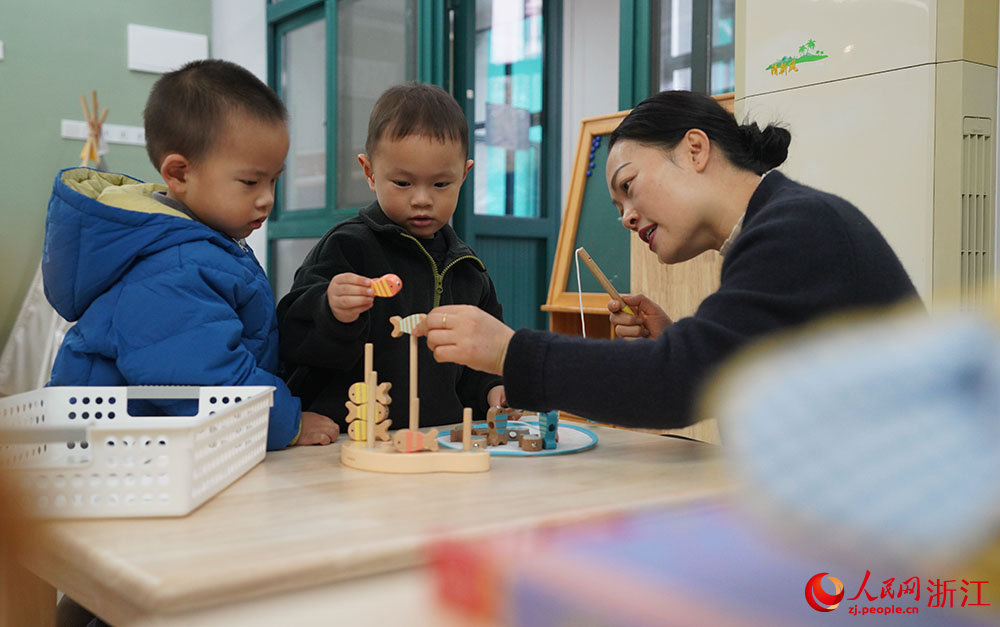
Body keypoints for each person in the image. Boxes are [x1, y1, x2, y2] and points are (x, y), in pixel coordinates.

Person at [413, 90, 920, 429]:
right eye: (617, 207)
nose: (627, 218)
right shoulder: (783, 220)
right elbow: (731, 380)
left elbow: (678, 384)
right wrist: (680, 341)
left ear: (695, 150)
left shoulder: (796, 227)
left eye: (628, 187)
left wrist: (510, 351)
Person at [43, 59, 339, 450]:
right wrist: (287, 422)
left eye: (273, 180)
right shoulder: (171, 265)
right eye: (250, 182)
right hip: (110, 459)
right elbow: (201, 381)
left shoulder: (201, 244)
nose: (267, 199)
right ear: (180, 173)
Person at [277, 83, 506, 433]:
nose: (422, 199)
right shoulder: (347, 247)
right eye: (402, 183)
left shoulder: (469, 270)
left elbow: (478, 362)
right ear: (369, 172)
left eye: (441, 184)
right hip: (348, 444)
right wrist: (329, 310)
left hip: (437, 444)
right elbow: (293, 339)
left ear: (464, 175)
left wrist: (494, 389)